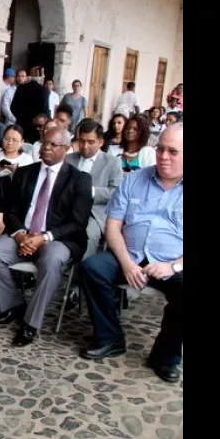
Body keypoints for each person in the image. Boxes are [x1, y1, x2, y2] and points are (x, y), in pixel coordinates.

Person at [80, 124, 183, 383]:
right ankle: (110, 338)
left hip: (174, 262)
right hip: (131, 254)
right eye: (160, 149)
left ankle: (165, 357)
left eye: (173, 151)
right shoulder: (135, 180)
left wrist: (173, 266)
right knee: (92, 268)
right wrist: (126, 263)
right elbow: (113, 226)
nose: (163, 157)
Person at [0, 127, 92, 347]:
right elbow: (10, 210)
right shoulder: (25, 173)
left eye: (54, 145)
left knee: (52, 261)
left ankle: (30, 323)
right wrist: (20, 235)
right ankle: (13, 305)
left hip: (58, 238)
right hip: (24, 233)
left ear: (66, 149)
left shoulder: (79, 179)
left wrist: (44, 237)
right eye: (44, 143)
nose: (47, 148)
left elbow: (78, 222)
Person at [64, 121, 122, 259]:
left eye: (91, 142)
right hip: (65, 210)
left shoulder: (112, 162)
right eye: (82, 141)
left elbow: (115, 192)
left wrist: (90, 191)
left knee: (88, 236)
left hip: (94, 213)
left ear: (101, 142)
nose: (85, 146)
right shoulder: (68, 159)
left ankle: (82, 269)